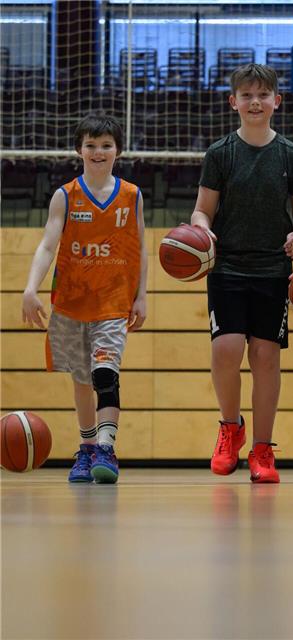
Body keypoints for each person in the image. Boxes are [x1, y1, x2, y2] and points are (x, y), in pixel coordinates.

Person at [191, 63, 293, 484]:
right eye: (247, 95)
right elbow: (203, 210)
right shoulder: (220, 153)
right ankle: (230, 427)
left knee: (265, 357)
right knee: (225, 350)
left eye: (263, 95)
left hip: (272, 269)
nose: (255, 102)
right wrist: (201, 232)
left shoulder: (292, 156)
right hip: (227, 266)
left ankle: (262, 449)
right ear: (233, 102)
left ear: (277, 101)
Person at [21, 113, 147, 484]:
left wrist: (142, 297)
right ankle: (87, 447)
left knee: (104, 374)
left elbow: (140, 248)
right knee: (80, 380)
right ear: (79, 150)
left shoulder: (131, 195)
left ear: (117, 151)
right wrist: (31, 287)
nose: (98, 151)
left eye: (105, 145)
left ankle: (107, 448)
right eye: (91, 145)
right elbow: (48, 244)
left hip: (113, 302)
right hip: (72, 304)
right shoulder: (65, 195)